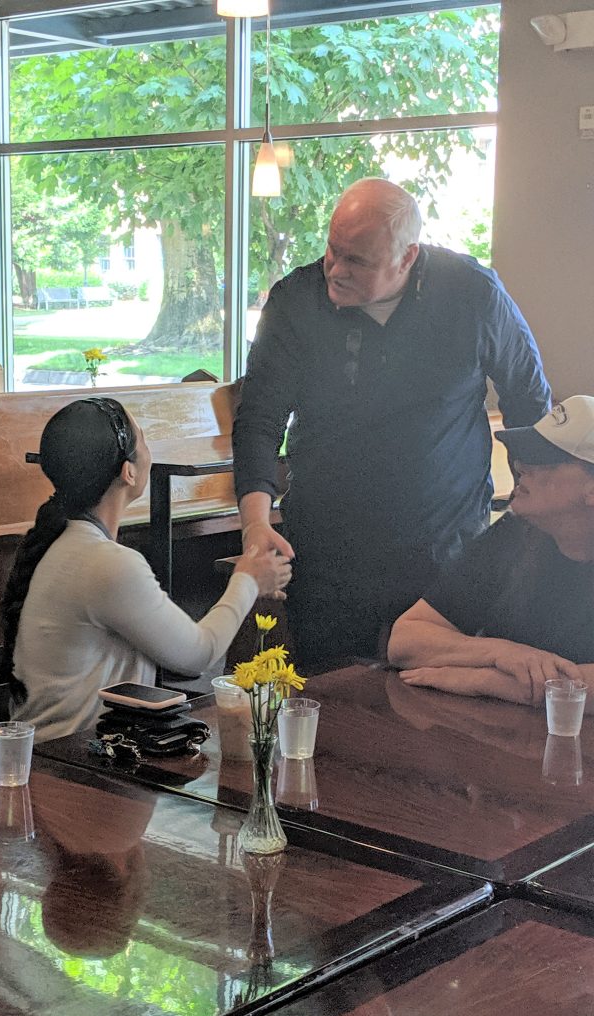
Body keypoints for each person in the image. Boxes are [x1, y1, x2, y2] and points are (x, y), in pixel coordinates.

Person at [233, 177, 551, 674]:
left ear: (407, 257)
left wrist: (534, 507)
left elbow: (528, 399)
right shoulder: (296, 301)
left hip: (444, 548)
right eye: (331, 251)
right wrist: (255, 520)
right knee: (330, 704)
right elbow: (258, 419)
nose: (335, 271)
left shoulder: (471, 293)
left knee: (434, 713)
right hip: (328, 550)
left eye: (357, 260)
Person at [2, 396, 292, 743]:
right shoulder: (105, 563)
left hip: (71, 757)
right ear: (129, 471)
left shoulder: (61, 542)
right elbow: (197, 655)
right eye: (143, 436)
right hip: (70, 766)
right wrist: (248, 579)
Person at [388, 395, 594, 706]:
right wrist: (501, 653)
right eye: (526, 454)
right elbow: (405, 640)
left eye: (545, 459)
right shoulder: (511, 537)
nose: (522, 465)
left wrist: (485, 679)